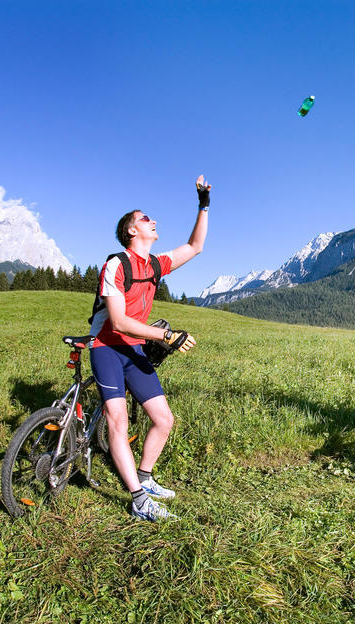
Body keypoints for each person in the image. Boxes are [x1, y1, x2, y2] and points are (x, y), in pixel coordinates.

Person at [88, 174, 211, 521]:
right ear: (131, 231)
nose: (153, 221)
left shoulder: (154, 264)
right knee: (118, 421)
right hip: (108, 347)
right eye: (145, 219)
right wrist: (166, 336)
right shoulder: (116, 264)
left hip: (134, 352)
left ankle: (145, 475)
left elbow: (195, 246)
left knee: (163, 419)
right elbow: (119, 322)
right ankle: (139, 499)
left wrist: (203, 204)